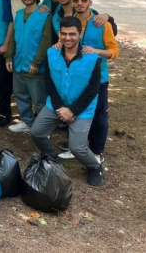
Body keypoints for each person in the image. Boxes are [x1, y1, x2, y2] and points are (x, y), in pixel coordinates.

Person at [30, 16, 104, 187]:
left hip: (82, 109)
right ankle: (52, 157)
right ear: (59, 34)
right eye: (64, 34)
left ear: (80, 34)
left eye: (72, 34)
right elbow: (49, 82)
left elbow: (93, 89)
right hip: (55, 104)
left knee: (77, 147)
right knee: (36, 132)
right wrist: (59, 107)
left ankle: (94, 166)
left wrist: (72, 111)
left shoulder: (92, 58)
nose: (68, 38)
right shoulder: (52, 52)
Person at [58, 0, 119, 163]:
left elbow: (114, 51)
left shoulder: (101, 23)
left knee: (99, 116)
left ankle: (97, 153)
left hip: (98, 80)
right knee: (75, 112)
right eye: (76, 0)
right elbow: (64, 42)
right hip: (75, 80)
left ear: (90, 2)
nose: (79, 3)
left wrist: (97, 51)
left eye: (83, 0)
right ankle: (75, 146)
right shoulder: (69, 21)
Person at [5, 0, 52, 133]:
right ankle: (26, 122)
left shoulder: (44, 15)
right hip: (18, 63)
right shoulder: (18, 15)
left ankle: (44, 129)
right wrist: (9, 57)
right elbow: (13, 38)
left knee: (39, 101)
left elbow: (46, 42)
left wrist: (37, 62)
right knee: (20, 96)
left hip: (35, 66)